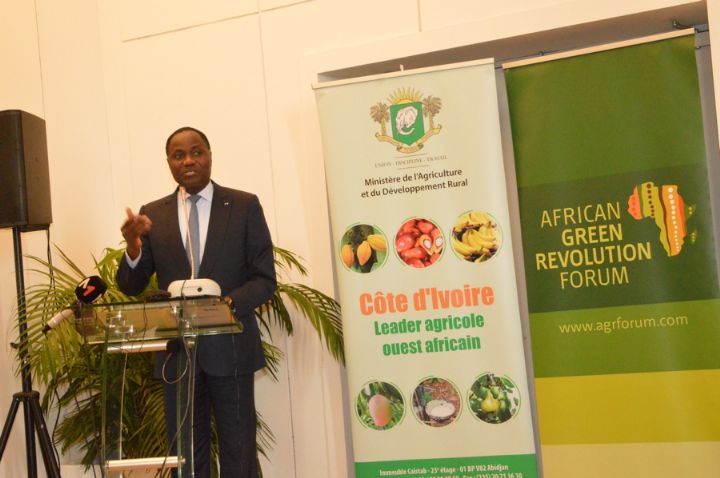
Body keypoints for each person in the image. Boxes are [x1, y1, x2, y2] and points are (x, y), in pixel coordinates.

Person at [117, 126, 276, 477]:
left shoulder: (243, 205)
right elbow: (131, 285)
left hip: (231, 349)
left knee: (238, 451)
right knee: (186, 455)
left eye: (196, 152)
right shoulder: (153, 214)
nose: (188, 161)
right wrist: (133, 247)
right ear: (169, 163)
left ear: (209, 155)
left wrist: (227, 305)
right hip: (179, 356)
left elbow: (265, 279)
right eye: (178, 155)